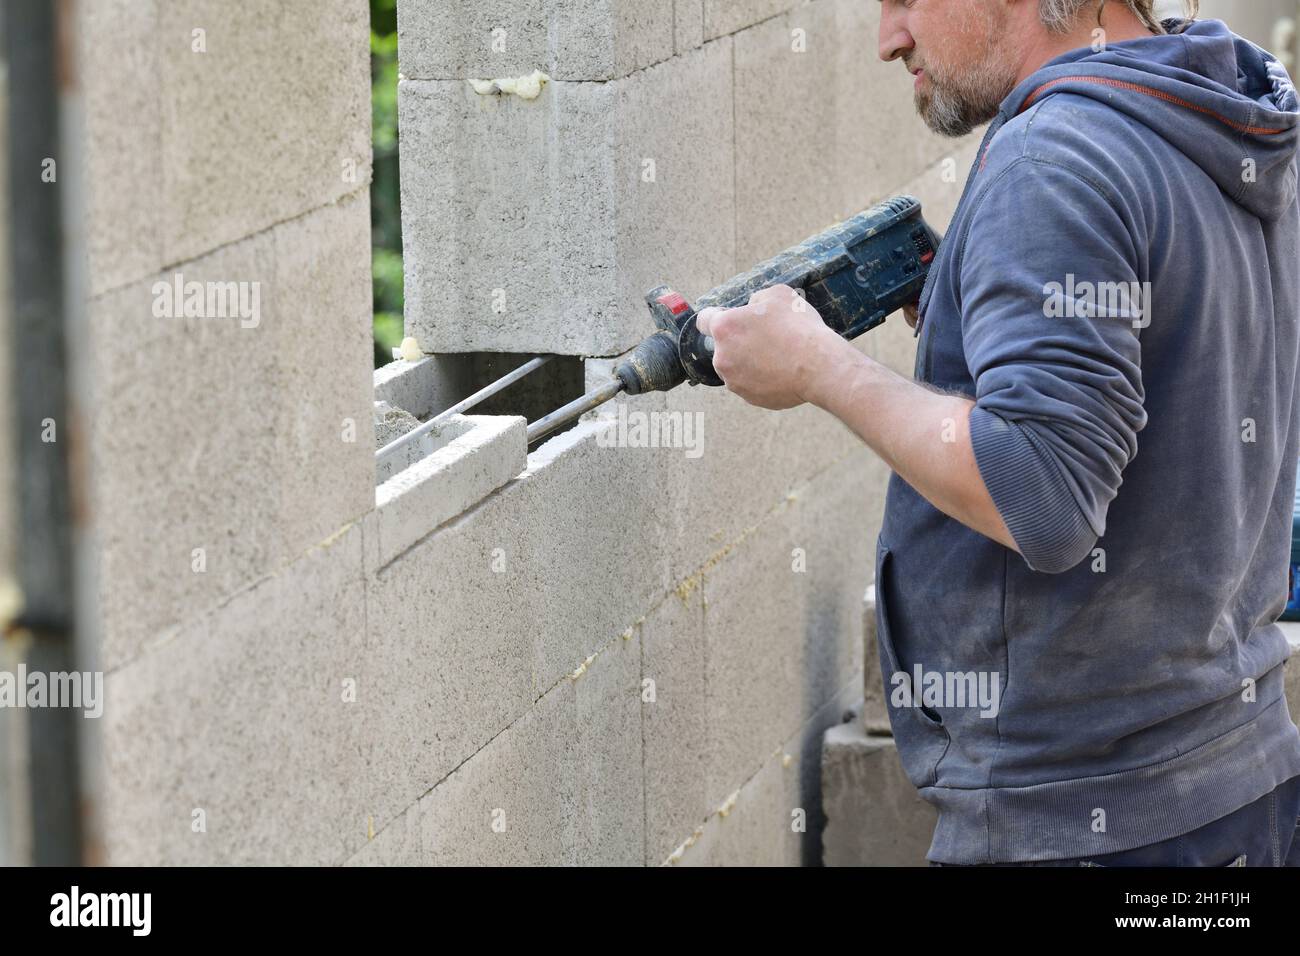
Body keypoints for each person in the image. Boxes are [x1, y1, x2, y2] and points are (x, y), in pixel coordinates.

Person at [695, 0, 1300, 866]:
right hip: (1236, 790)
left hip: (1086, 825)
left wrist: (819, 369)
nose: (887, 39)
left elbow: (1044, 496)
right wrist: (989, 310)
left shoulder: (1052, 160)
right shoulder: (1219, 105)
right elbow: (1176, 361)